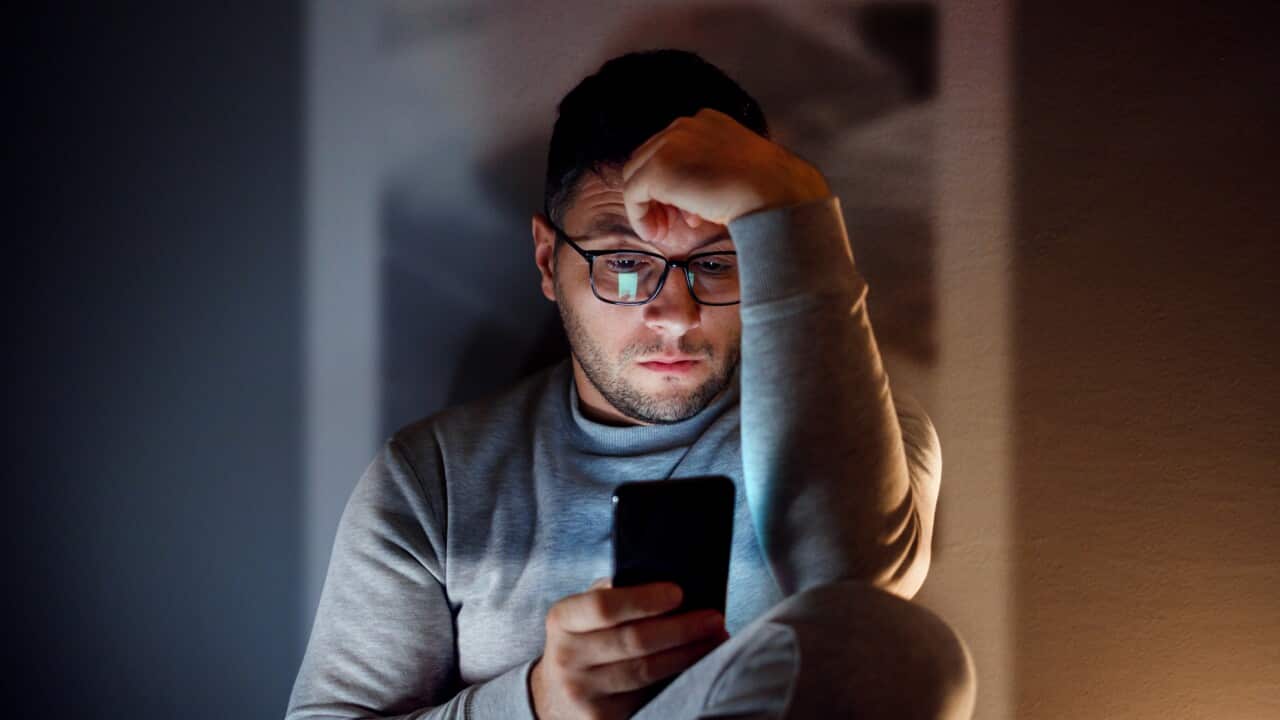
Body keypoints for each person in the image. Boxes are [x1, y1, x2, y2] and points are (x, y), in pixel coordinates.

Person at [286, 49, 975, 720]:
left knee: (907, 652)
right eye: (622, 263)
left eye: (717, 261)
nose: (674, 315)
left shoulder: (873, 434)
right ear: (549, 262)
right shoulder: (431, 477)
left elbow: (852, 603)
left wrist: (790, 204)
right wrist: (538, 702)